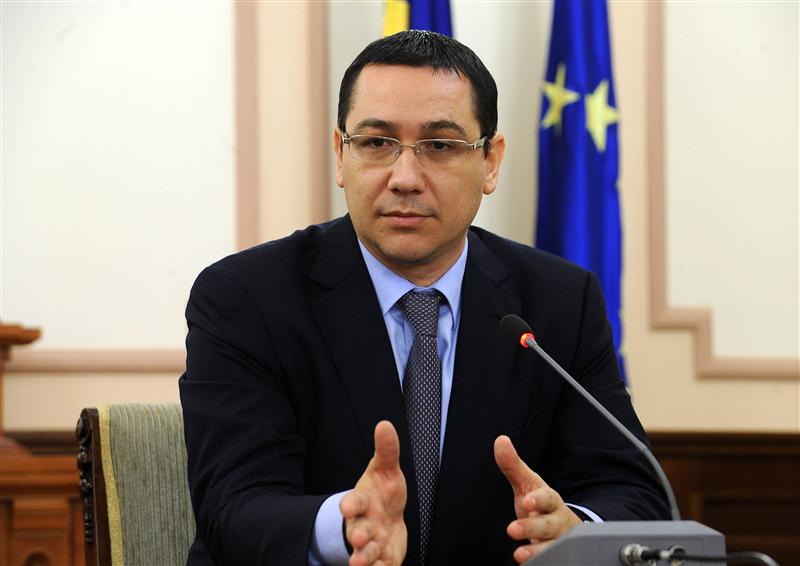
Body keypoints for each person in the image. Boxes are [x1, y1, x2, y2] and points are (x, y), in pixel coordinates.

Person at [179, 30, 669, 566]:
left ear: (490, 162)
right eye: (376, 143)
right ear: (341, 155)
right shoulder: (245, 298)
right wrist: (344, 526)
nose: (405, 178)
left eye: (440, 146)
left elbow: (634, 493)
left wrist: (577, 530)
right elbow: (232, 507)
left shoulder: (559, 302)